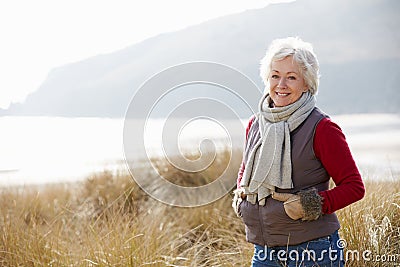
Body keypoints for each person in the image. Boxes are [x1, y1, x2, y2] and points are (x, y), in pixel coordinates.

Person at [232, 37, 365, 267]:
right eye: (275, 75)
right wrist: (241, 196)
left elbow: (354, 186)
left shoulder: (322, 128)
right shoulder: (255, 124)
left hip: (313, 250)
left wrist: (310, 205)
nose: (281, 84)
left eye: (291, 77)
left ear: (307, 83)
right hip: (264, 251)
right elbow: (246, 169)